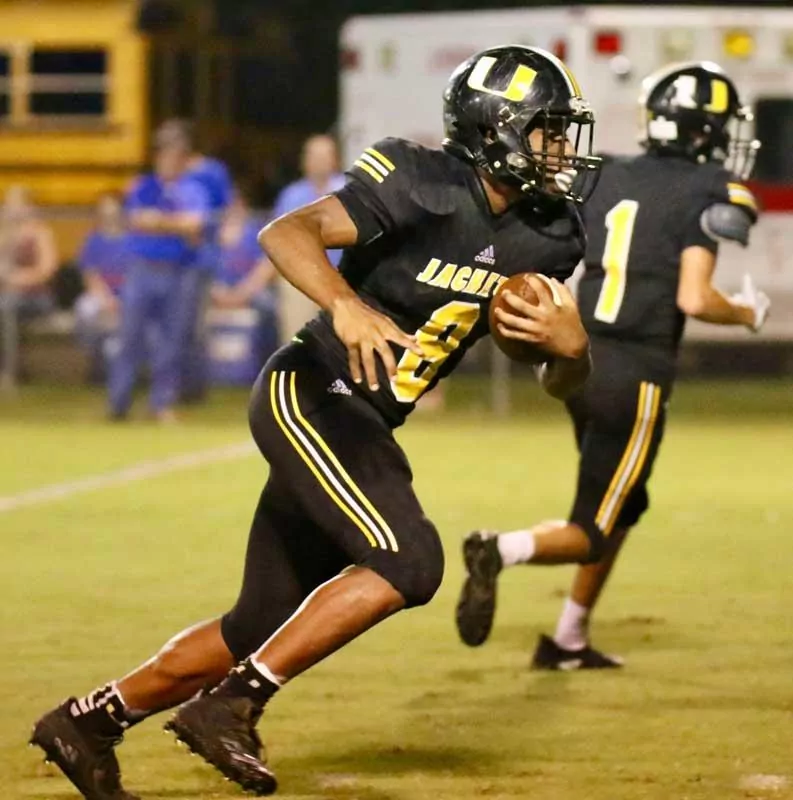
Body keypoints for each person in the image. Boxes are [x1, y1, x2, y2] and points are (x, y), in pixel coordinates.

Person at [31, 45, 600, 798]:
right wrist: (345, 305)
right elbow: (285, 232)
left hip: (366, 420)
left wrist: (573, 351)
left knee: (256, 625)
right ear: (495, 129)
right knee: (410, 561)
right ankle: (232, 705)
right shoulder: (419, 179)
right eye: (546, 131)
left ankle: (88, 723)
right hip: (310, 390)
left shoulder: (550, 234)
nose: (559, 150)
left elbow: (559, 381)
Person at [454, 61, 771, 669]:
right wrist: (747, 313)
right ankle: (501, 548)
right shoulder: (706, 185)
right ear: (706, 129)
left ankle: (569, 639)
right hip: (636, 371)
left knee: (624, 504)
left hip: (579, 359)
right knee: (592, 528)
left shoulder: (610, 171)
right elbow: (694, 297)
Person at [107, 139, 210, 422]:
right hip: (142, 270)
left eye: (175, 157)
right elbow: (137, 220)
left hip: (178, 272)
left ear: (183, 161)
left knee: (172, 341)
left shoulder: (193, 190)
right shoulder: (143, 186)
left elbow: (195, 225)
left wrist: (159, 221)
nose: (169, 162)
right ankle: (118, 403)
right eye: (164, 156)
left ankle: (161, 404)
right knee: (130, 336)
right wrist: (176, 224)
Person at [154, 119, 234, 402]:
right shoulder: (164, 173)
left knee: (191, 325)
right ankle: (175, 388)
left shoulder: (211, 171)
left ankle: (192, 387)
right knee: (174, 326)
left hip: (200, 258)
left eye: (172, 140)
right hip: (170, 258)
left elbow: (224, 211)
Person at [270, 134, 346, 343]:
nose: (319, 161)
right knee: (297, 341)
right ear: (304, 161)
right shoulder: (291, 196)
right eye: (314, 156)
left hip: (343, 281)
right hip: (301, 280)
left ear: (335, 159)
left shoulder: (350, 191)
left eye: (324, 156)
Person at [210, 185, 279, 360]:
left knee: (268, 306)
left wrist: (242, 294)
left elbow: (266, 268)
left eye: (235, 204)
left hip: (250, 290)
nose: (231, 209)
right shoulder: (212, 235)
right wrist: (217, 292)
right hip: (218, 291)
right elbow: (205, 271)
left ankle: (267, 362)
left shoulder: (257, 232)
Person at [0, 186, 58, 380]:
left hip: (37, 297)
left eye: (17, 203)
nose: (11, 208)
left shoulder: (40, 232)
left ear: (29, 207)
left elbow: (47, 270)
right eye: (9, 203)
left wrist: (17, 279)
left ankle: (9, 371)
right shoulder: (3, 233)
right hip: (7, 294)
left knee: (6, 305)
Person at [74, 192, 130, 382]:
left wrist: (121, 300)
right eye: (104, 207)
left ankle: (127, 366)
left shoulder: (134, 241)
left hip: (130, 296)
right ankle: (95, 358)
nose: (108, 211)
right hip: (101, 296)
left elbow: (138, 275)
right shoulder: (93, 241)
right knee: (85, 308)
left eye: (112, 206)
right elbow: (90, 276)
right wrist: (107, 299)